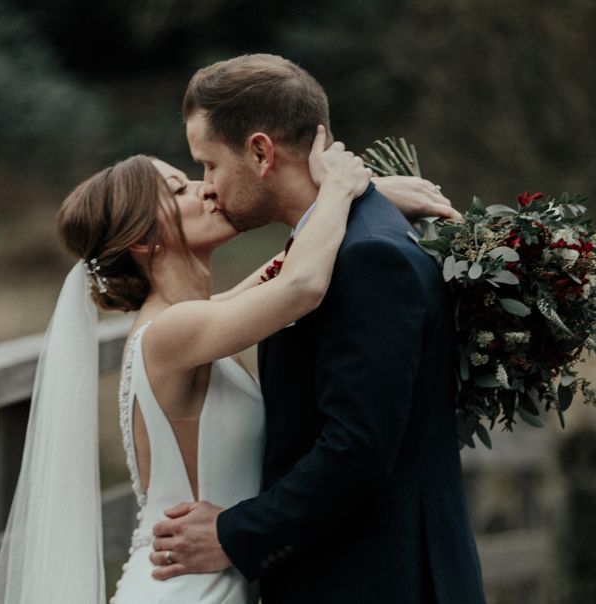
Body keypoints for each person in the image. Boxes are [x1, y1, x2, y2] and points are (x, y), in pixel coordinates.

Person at [0, 122, 449, 603]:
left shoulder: (189, 321)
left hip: (210, 579)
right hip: (187, 589)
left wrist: (366, 200)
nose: (207, 187)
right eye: (180, 188)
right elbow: (300, 286)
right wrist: (338, 189)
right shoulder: (169, 332)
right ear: (144, 241)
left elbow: (279, 270)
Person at [150, 54, 487, 604]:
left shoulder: (368, 256)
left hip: (378, 581)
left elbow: (356, 447)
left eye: (208, 164)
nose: (207, 185)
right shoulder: (336, 240)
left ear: (260, 152)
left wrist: (234, 535)